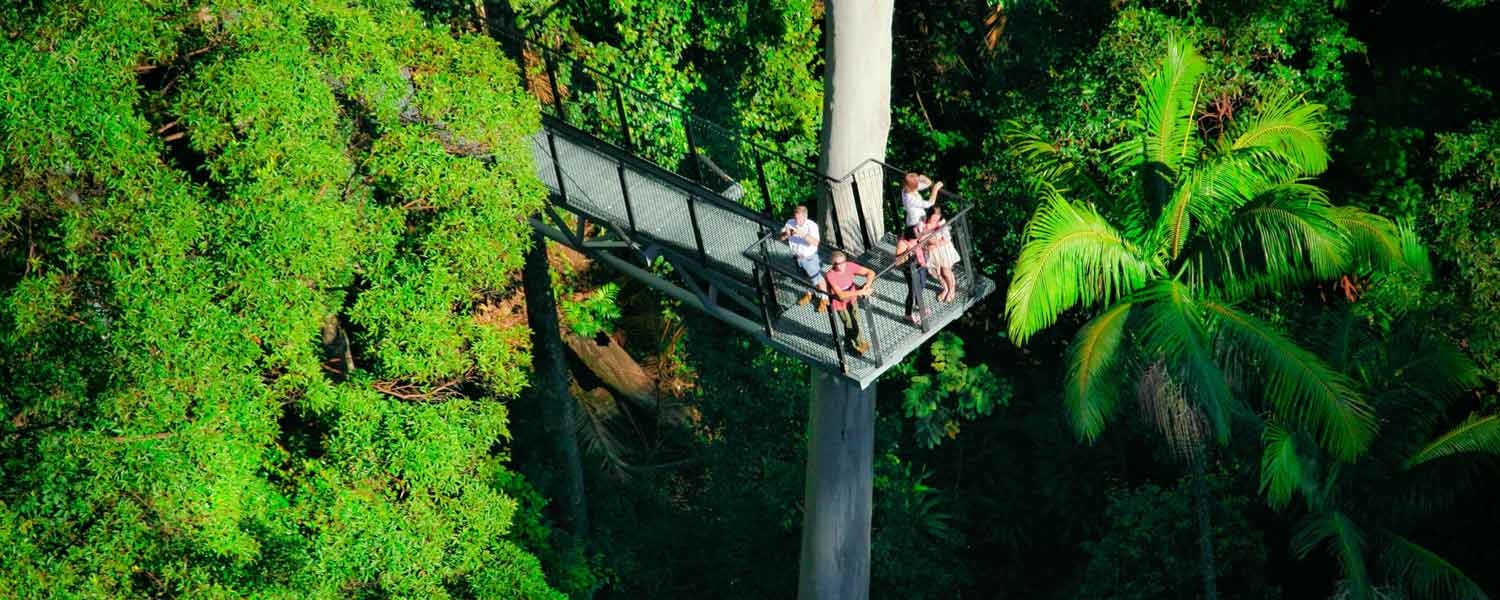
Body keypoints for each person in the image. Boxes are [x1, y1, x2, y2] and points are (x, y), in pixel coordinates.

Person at [823, 250, 875, 356]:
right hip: (840, 304)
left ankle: (857, 343)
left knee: (855, 321)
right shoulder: (830, 275)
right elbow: (841, 295)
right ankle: (853, 345)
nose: (842, 266)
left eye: (843, 262)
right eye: (838, 264)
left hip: (852, 299)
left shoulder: (849, 266)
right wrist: (861, 291)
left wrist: (867, 285)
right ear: (833, 264)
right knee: (849, 324)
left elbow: (870, 272)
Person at [778, 205, 829, 312]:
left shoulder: (812, 226)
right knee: (805, 278)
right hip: (797, 257)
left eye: (799, 218)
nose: (797, 221)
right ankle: (810, 293)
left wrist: (802, 233)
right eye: (795, 218)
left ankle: (825, 299)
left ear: (805, 217)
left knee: (818, 278)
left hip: (809, 257)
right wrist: (786, 234)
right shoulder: (790, 223)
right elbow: (781, 237)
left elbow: (816, 242)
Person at [924, 205, 960, 303]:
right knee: (938, 273)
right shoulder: (924, 224)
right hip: (933, 253)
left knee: (946, 271)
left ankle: (952, 290)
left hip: (943, 250)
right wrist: (928, 244)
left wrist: (934, 243)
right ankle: (946, 289)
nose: (935, 219)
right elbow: (922, 240)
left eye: (937, 216)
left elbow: (947, 239)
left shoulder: (941, 224)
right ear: (929, 215)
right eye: (934, 216)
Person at [895, 225, 930, 325]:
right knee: (913, 292)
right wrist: (907, 253)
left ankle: (919, 305)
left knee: (922, 284)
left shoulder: (917, 235)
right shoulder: (902, 242)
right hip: (910, 269)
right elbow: (897, 262)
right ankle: (908, 315)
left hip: (920, 264)